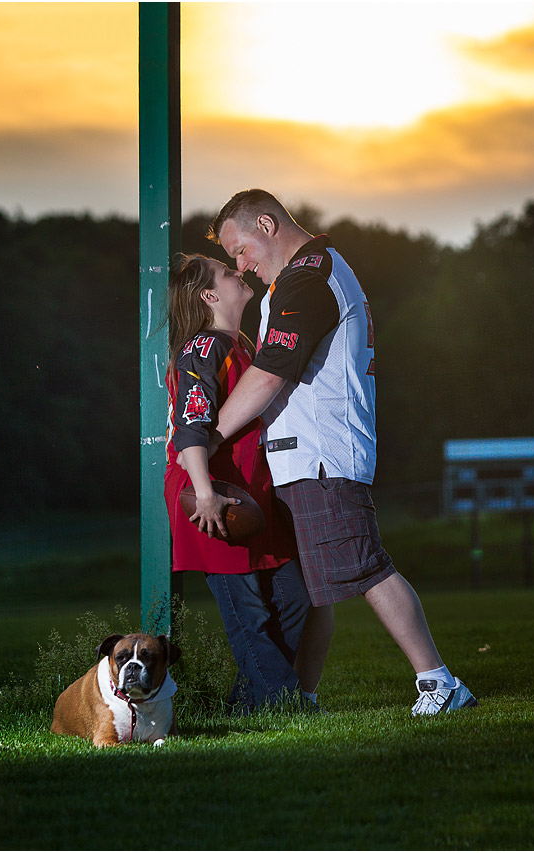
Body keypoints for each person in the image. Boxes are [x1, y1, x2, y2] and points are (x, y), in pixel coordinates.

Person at [203, 189, 476, 715]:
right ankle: (301, 697)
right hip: (307, 453)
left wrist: (210, 434)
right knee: (317, 585)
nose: (240, 265)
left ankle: (438, 682)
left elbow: (270, 374)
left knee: (365, 568)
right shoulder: (306, 274)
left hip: (321, 454)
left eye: (241, 250)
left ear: (267, 223)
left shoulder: (308, 277)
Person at [163, 251, 325, 713]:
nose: (239, 273)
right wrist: (207, 493)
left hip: (252, 495)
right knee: (248, 612)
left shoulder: (245, 346)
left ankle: (245, 703)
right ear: (209, 295)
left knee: (296, 595)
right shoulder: (202, 347)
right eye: (228, 272)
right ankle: (283, 704)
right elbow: (191, 426)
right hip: (211, 495)